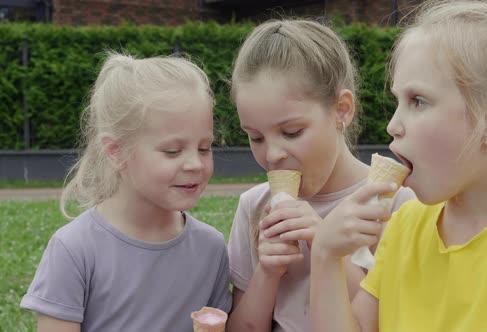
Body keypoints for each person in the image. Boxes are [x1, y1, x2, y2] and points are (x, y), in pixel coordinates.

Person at [310, 0, 487, 331]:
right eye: (397, 101)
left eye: (418, 101)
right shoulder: (406, 226)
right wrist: (325, 257)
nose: (393, 125)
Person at [225, 19, 416, 332]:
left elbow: (388, 321)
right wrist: (267, 274)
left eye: (291, 131)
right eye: (255, 137)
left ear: (341, 109)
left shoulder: (393, 203)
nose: (272, 154)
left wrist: (324, 243)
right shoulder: (255, 206)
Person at [20, 52, 232, 332]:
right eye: (172, 151)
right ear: (116, 152)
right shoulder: (74, 250)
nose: (195, 163)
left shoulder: (211, 248)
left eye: (205, 148)